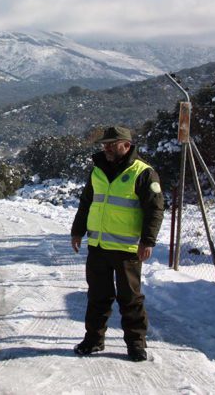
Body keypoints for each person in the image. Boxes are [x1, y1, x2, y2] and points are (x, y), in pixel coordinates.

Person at [71, 126, 164, 362]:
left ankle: (136, 345)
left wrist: (148, 241)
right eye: (104, 144)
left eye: (111, 144)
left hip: (127, 249)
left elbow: (155, 209)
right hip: (99, 246)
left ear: (125, 144)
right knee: (97, 296)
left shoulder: (143, 172)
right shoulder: (98, 170)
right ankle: (93, 340)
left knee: (130, 299)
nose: (106, 148)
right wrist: (77, 231)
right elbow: (86, 203)